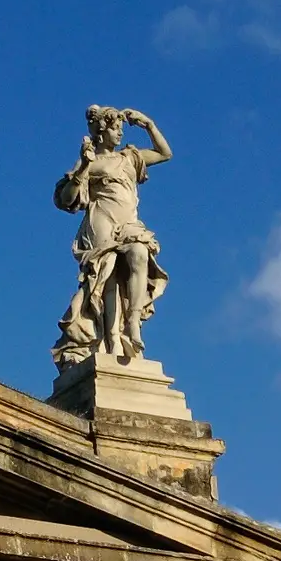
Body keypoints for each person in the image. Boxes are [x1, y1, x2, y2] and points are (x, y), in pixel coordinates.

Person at [53, 106, 175, 367]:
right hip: (102, 222)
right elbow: (66, 200)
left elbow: (165, 153)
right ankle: (111, 341)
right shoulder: (92, 162)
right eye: (115, 128)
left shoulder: (129, 157)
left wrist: (148, 124)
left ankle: (132, 321)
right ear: (101, 131)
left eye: (121, 128)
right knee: (106, 279)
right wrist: (84, 166)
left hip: (129, 224)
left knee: (139, 254)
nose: (119, 132)